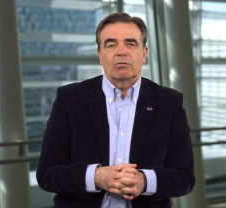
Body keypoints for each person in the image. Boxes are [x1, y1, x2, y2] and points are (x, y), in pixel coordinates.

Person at [37, 12, 195, 208]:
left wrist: (145, 181)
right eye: (111, 45)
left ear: (144, 53)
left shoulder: (169, 102)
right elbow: (47, 174)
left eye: (130, 44)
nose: (121, 52)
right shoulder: (70, 99)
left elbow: (185, 178)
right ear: (100, 55)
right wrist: (96, 176)